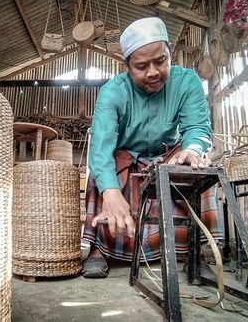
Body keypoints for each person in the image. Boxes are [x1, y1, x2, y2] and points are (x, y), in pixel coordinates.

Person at [81, 17, 223, 278]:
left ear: (169, 53)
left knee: (196, 167)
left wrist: (192, 148)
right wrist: (111, 192)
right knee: (102, 171)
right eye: (141, 66)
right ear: (127, 67)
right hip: (127, 157)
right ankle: (98, 249)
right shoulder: (112, 92)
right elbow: (100, 148)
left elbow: (198, 127)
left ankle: (195, 251)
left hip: (166, 155)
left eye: (160, 61)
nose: (153, 72)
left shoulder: (187, 82)